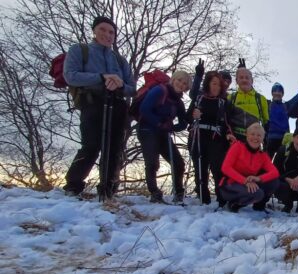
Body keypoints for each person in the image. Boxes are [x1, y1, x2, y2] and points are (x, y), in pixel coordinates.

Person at [62, 16, 136, 199]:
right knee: (91, 145)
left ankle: (108, 187)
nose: (107, 35)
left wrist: (119, 85)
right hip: (92, 102)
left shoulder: (120, 60)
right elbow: (70, 76)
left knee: (114, 148)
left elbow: (132, 88)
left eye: (111, 32)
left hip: (117, 105)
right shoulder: (80, 50)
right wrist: (101, 77)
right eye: (103, 30)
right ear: (94, 31)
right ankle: (73, 185)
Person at [137, 70, 191, 203]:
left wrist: (175, 127)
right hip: (147, 129)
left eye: (184, 83)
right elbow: (144, 109)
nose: (181, 84)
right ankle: (154, 193)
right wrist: (159, 123)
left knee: (178, 162)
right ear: (173, 79)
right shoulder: (159, 91)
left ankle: (179, 193)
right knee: (152, 162)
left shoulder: (178, 102)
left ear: (186, 88)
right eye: (179, 80)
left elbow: (184, 121)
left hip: (163, 133)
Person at [187, 71, 235, 206]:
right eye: (214, 83)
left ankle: (221, 198)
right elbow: (187, 117)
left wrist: (229, 133)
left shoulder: (223, 102)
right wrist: (193, 115)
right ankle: (203, 197)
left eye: (219, 85)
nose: (216, 87)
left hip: (215, 138)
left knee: (217, 168)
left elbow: (226, 122)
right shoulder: (199, 98)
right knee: (200, 167)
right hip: (198, 136)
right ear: (208, 84)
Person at [219, 123, 279, 212]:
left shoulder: (263, 155)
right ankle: (234, 204)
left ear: (262, 139)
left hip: (248, 185)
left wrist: (258, 178)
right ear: (247, 135)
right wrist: (245, 181)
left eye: (259, 135)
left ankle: (259, 206)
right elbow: (225, 168)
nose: (255, 137)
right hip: (229, 185)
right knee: (258, 194)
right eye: (252, 134)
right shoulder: (237, 146)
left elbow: (275, 173)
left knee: (274, 182)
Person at [266, 63, 298, 158]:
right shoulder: (266, 103)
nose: (277, 93)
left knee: (284, 164)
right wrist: (243, 69)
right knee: (266, 165)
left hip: (285, 139)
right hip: (270, 138)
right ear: (272, 93)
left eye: (280, 91)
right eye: (275, 91)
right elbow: (250, 90)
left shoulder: (287, 105)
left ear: (283, 93)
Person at [228, 67, 269, 141]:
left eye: (247, 78)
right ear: (237, 81)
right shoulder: (231, 97)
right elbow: (226, 120)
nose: (244, 80)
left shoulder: (260, 99)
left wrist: (265, 140)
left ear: (252, 81)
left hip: (254, 140)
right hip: (235, 140)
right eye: (241, 77)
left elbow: (266, 122)